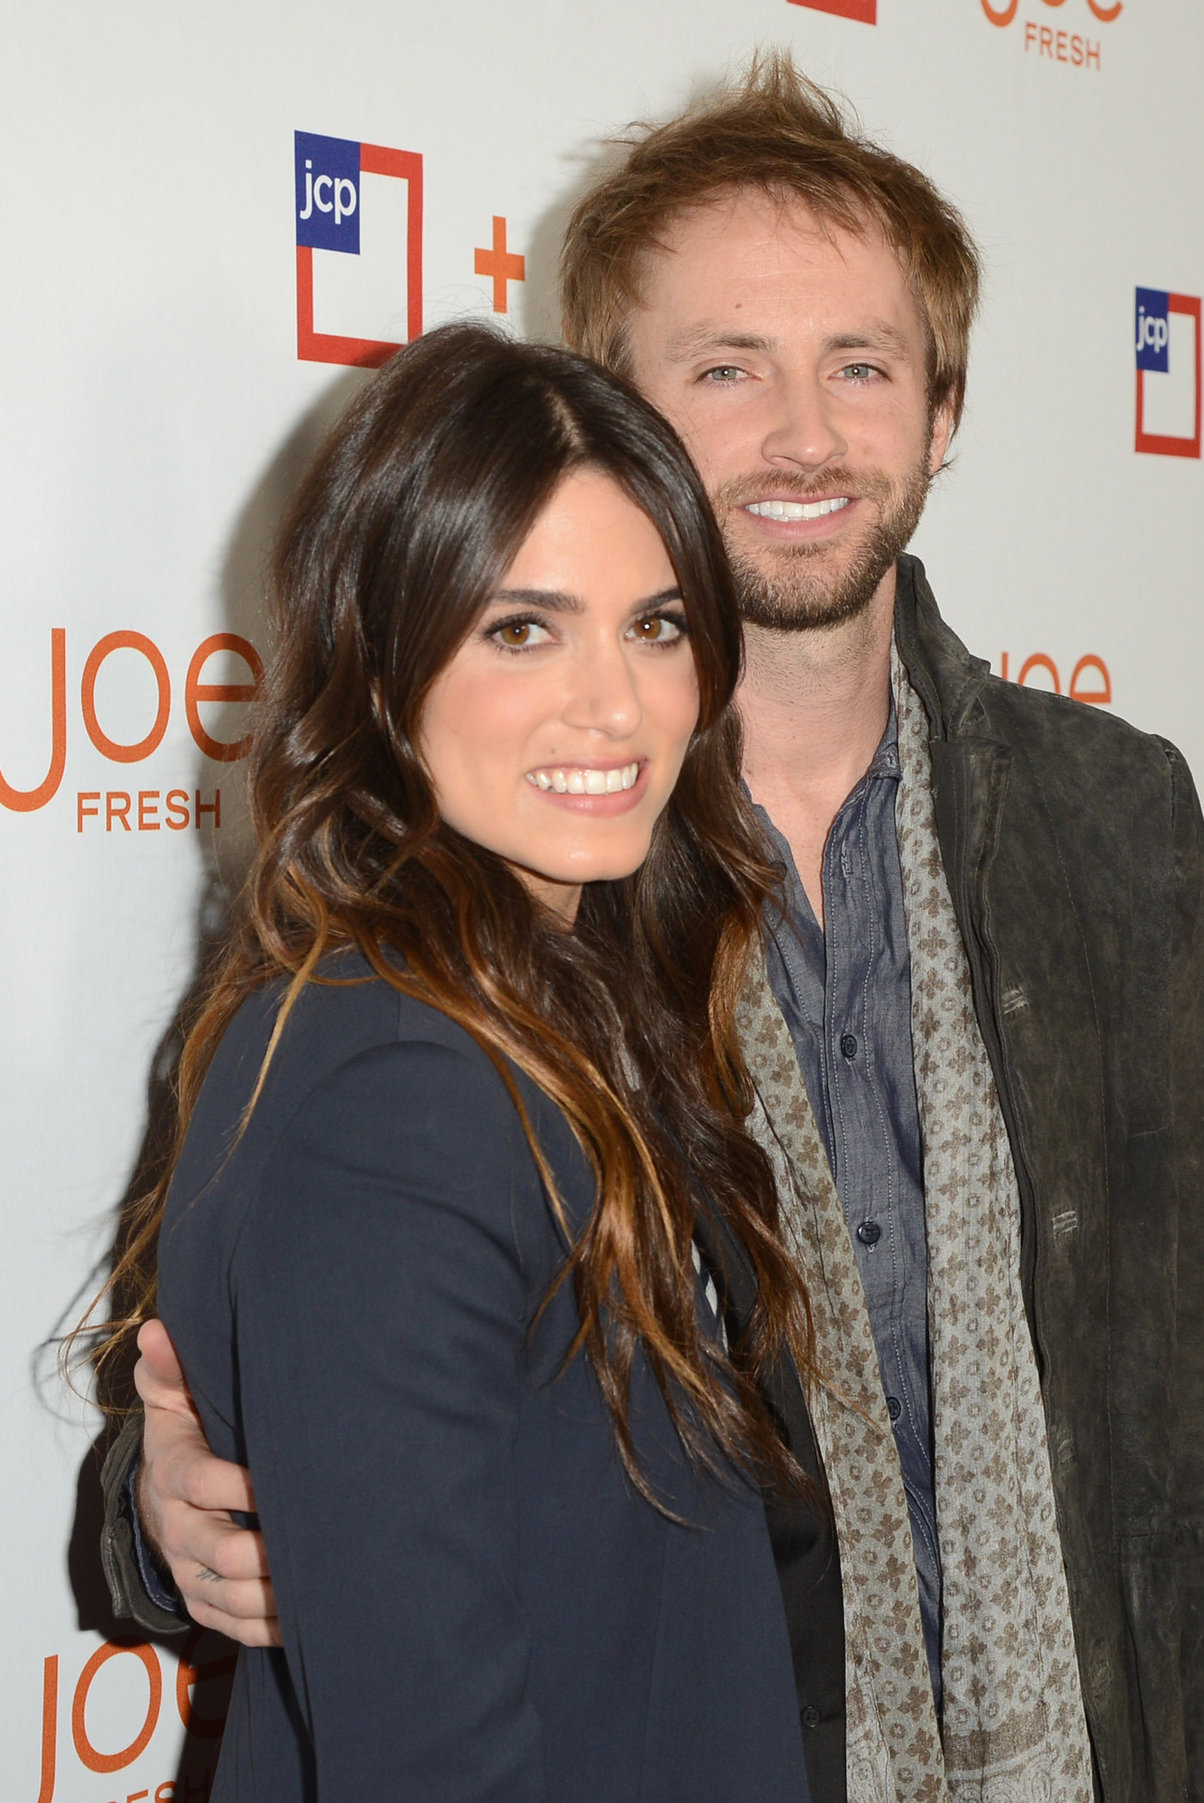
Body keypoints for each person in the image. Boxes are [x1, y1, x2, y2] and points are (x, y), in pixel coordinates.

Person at [104, 58, 1204, 1803]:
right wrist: (169, 1521)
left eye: (861, 366)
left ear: (942, 403)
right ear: (610, 409)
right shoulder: (537, 876)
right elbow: (313, 1360)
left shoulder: (1113, 818)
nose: (807, 437)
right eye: (726, 370)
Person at [86, 320, 843, 1801]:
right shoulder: (398, 1092)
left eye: (656, 624)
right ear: (383, 660)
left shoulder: (573, 1000)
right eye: (521, 628)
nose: (614, 707)